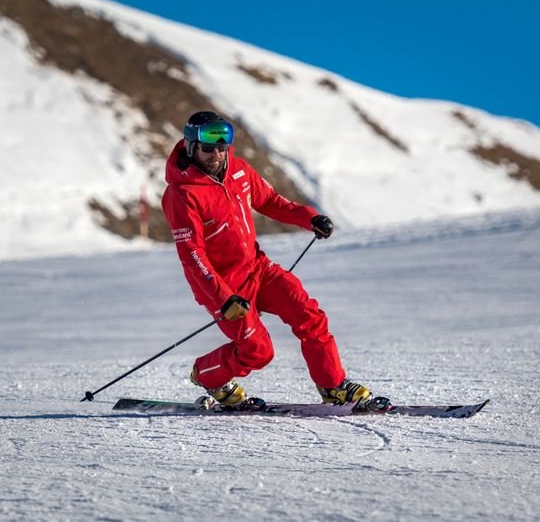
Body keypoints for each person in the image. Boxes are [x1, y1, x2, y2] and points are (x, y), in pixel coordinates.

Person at [161, 111, 386, 408]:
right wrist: (223, 298)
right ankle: (206, 374)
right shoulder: (182, 194)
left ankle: (333, 387)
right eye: (207, 146)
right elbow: (192, 254)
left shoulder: (239, 171)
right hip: (225, 286)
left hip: (258, 269)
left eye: (223, 144)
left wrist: (310, 218)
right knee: (258, 352)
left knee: (308, 314)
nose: (216, 153)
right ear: (191, 146)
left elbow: (270, 202)